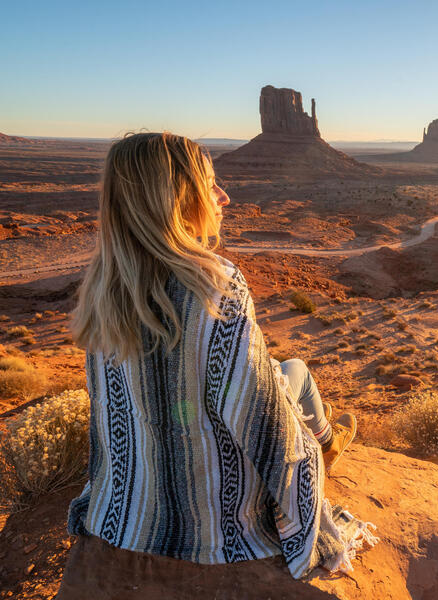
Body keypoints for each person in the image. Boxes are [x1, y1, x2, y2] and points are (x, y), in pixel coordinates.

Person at [60, 132, 375, 592]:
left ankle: (328, 438)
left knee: (283, 371)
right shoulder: (215, 283)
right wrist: (304, 495)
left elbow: (111, 409)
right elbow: (266, 425)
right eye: (210, 184)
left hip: (129, 508)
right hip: (216, 519)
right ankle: (326, 442)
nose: (224, 196)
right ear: (175, 198)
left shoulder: (103, 286)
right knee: (295, 372)